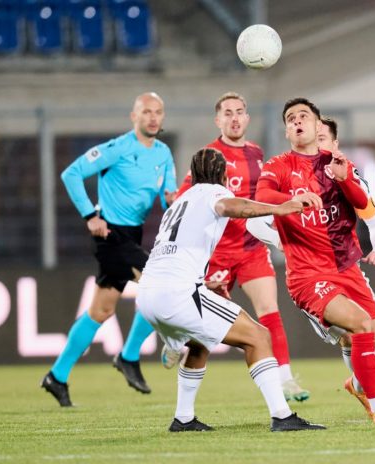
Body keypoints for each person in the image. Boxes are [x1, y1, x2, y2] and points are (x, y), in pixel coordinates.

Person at [116, 92, 310, 401]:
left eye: (239, 112)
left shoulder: (257, 154)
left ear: (247, 118)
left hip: (250, 247)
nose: (234, 118)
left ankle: (285, 379)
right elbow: (186, 198)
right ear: (218, 120)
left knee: (269, 309)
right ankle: (175, 341)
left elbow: (260, 196)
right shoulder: (209, 158)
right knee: (202, 326)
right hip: (217, 252)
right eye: (228, 113)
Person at [249, 117, 375, 415]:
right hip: (311, 276)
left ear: (334, 144)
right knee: (352, 333)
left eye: (322, 139)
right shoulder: (291, 178)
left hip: (347, 268)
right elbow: (255, 219)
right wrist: (280, 240)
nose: (316, 146)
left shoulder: (345, 174)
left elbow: (372, 217)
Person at [136, 147, 325, 432]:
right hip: (178, 295)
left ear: (192, 175)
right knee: (259, 336)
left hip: (148, 294)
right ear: (224, 175)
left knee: (199, 343)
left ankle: (183, 418)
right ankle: (282, 416)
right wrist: (279, 208)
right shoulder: (214, 193)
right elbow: (226, 207)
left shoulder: (179, 203)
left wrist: (205, 284)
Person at [40, 92, 177, 406]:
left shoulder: (163, 153)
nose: (153, 117)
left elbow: (166, 194)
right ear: (134, 116)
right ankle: (129, 356)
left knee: (101, 310)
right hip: (110, 235)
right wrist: (90, 216)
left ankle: (57, 376)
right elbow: (71, 173)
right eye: (146, 112)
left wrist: (171, 198)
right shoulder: (118, 148)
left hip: (132, 235)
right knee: (159, 285)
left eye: (158, 112)